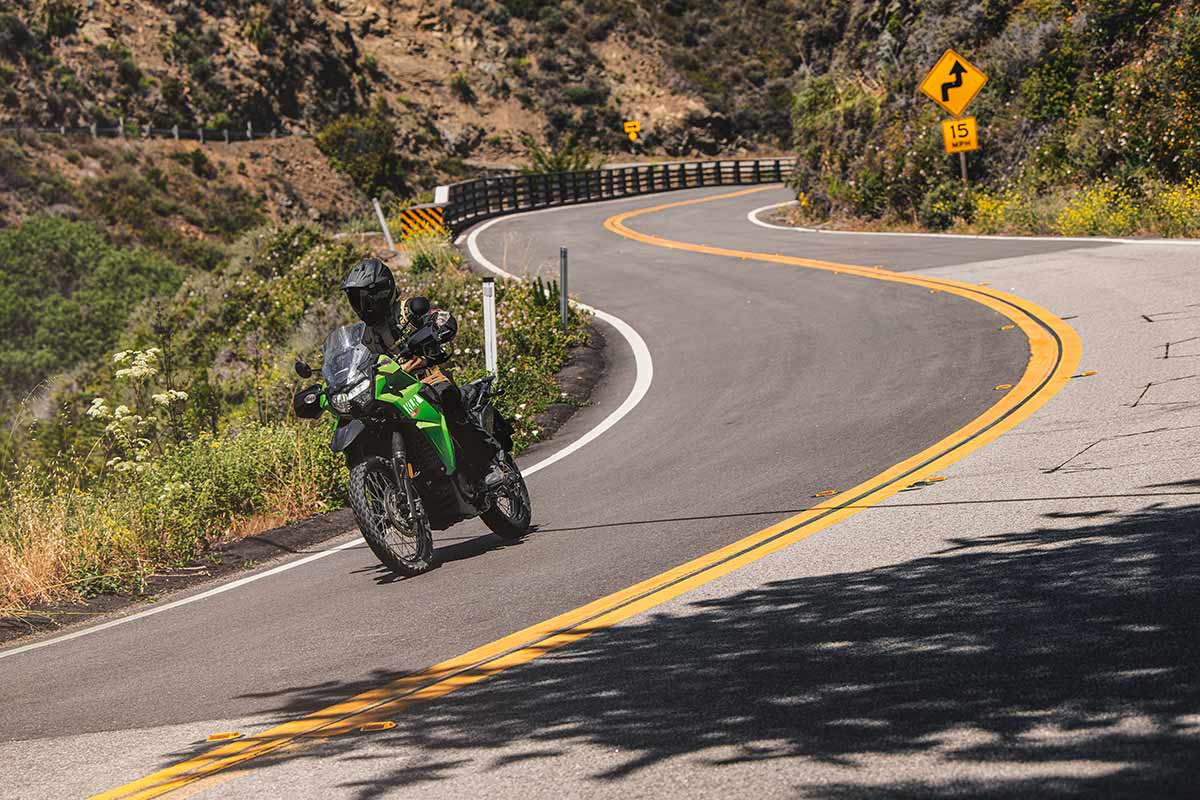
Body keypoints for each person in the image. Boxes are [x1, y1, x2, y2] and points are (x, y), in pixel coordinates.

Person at [340, 257, 502, 490]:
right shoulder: (363, 335)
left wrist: (439, 325)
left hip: (428, 376)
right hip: (393, 390)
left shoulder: (407, 310)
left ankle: (486, 465)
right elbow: (354, 362)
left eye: (363, 297)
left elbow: (440, 316)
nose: (359, 303)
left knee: (447, 399)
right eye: (355, 298)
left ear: (381, 292)